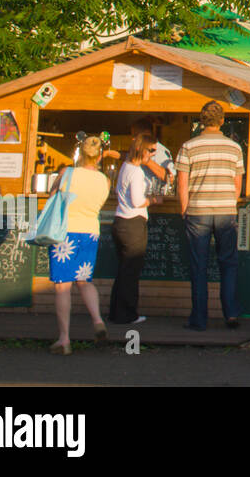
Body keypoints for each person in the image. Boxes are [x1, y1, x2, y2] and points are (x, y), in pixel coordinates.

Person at [176, 101, 245, 332]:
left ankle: (199, 319)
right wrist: (229, 203)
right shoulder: (234, 148)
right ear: (223, 121)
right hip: (226, 211)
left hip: (198, 211)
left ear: (201, 120)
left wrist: (184, 209)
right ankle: (231, 314)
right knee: (228, 264)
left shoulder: (188, 146)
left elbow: (182, 184)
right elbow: (238, 185)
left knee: (199, 266)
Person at [47, 136, 111, 354]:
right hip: (90, 232)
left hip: (64, 233)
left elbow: (53, 196)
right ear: (99, 155)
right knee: (84, 280)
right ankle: (97, 321)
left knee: (62, 285)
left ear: (79, 154)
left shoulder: (68, 173)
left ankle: (64, 339)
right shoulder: (104, 180)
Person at [108, 133, 161, 325]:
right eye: (151, 150)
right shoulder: (137, 172)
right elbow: (138, 201)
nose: (153, 155)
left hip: (120, 221)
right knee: (131, 272)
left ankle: (116, 312)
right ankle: (127, 315)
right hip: (133, 224)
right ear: (142, 149)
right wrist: (153, 200)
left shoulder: (125, 166)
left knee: (123, 271)